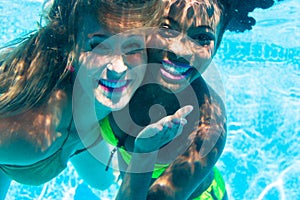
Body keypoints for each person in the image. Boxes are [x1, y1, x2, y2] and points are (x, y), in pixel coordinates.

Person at [0, 0, 190, 199]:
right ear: (68, 46)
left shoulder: (145, 68)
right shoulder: (27, 132)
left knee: (102, 182)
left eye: (133, 47)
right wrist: (145, 153)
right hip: (23, 156)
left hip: (82, 133)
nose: (118, 68)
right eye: (98, 45)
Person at [102, 0, 281, 199]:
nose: (181, 51)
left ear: (218, 44)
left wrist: (145, 153)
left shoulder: (207, 129)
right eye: (167, 29)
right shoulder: (114, 70)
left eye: (202, 37)